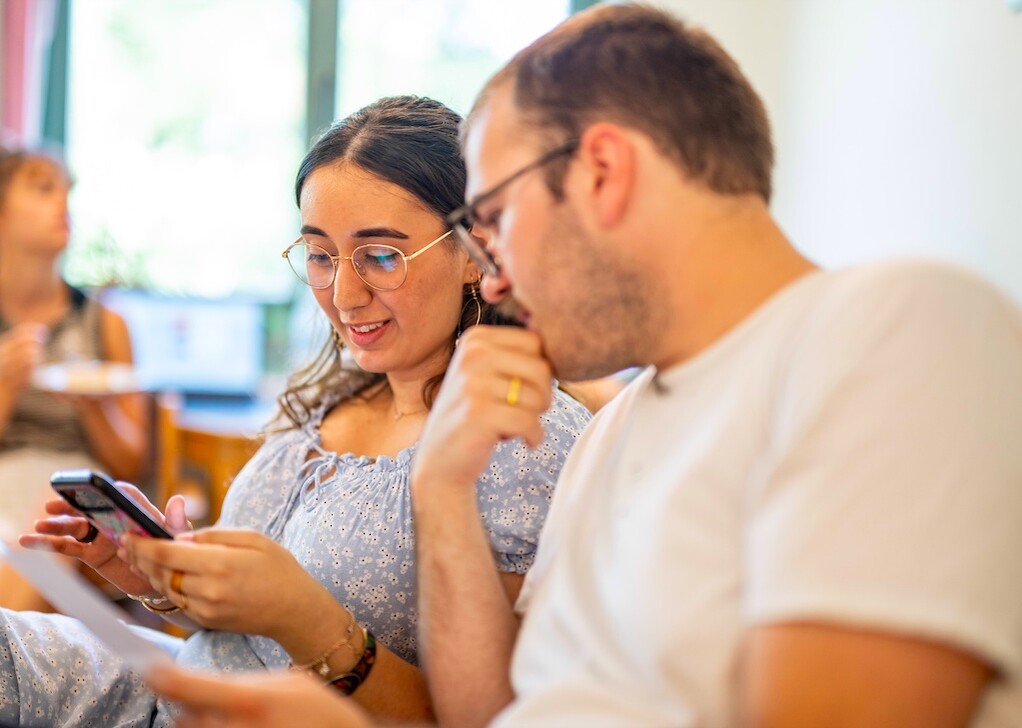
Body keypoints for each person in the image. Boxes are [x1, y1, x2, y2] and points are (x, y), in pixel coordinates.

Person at [146, 4, 1022, 728]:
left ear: (603, 172)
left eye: (493, 216)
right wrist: (442, 487)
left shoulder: (897, 325)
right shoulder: (615, 434)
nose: (489, 273)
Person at [0, 96, 590, 726]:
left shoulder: (523, 437)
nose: (344, 295)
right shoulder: (329, 400)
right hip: (172, 691)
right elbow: (238, 641)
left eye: (381, 256)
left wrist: (305, 618)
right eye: (320, 255)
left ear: (473, 253)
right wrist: (162, 580)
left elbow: (482, 716)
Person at [0, 145, 149, 611]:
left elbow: (132, 463)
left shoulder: (105, 323)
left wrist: (94, 404)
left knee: (59, 501)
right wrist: (4, 385)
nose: (63, 202)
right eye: (43, 188)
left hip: (80, 482)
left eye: (67, 190)